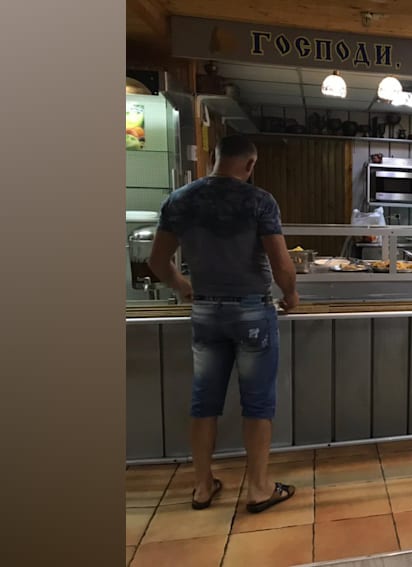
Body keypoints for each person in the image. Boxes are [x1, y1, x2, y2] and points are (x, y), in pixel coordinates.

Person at [147, 134, 300, 513]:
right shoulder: (259, 200)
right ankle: (259, 489)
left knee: (204, 402)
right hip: (251, 312)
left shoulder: (180, 199)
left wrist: (184, 287)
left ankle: (202, 487)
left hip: (206, 311)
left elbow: (156, 261)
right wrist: (291, 297)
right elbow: (282, 265)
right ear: (250, 164)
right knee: (258, 405)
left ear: (213, 158)